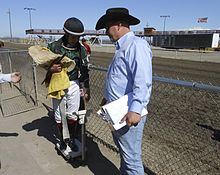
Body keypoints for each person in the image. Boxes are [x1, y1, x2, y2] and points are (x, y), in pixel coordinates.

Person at [96, 8, 152, 175]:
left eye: (107, 27)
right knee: (125, 152)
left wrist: (135, 110)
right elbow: (118, 79)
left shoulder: (136, 45)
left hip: (128, 112)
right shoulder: (122, 47)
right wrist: (106, 99)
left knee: (131, 158)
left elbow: (143, 82)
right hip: (116, 111)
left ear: (119, 25)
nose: (106, 32)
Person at [47, 17, 90, 153]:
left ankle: (71, 137)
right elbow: (42, 62)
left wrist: (86, 89)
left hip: (73, 84)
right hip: (58, 83)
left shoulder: (81, 49)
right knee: (59, 114)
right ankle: (62, 138)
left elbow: (84, 70)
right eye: (73, 36)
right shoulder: (54, 46)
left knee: (73, 114)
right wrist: (51, 68)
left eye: (78, 37)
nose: (75, 39)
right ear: (65, 33)